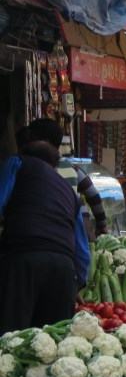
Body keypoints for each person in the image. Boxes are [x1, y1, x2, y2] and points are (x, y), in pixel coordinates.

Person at [0, 141, 85, 333]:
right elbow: (82, 249)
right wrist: (77, 284)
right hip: (63, 268)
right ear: (55, 167)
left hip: (23, 260)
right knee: (53, 339)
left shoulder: (18, 162)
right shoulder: (69, 192)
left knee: (11, 338)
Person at [27, 119, 108, 235]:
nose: (28, 143)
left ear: (44, 142)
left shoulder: (28, 167)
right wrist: (101, 225)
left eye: (31, 139)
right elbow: (93, 194)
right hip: (67, 233)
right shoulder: (72, 169)